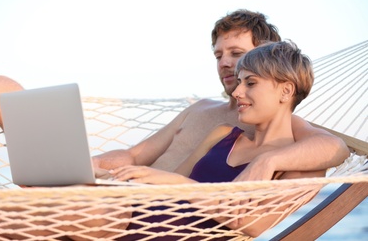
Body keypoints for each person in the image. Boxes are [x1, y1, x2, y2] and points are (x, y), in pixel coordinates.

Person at [93, 9, 349, 181]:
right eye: (219, 55)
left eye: (237, 54)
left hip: (170, 219)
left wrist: (268, 160)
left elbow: (334, 148)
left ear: (263, 57)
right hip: (127, 194)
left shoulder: (265, 124)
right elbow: (135, 156)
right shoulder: (199, 109)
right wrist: (88, 166)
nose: (225, 63)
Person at [108, 39, 325, 239]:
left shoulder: (304, 168)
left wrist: (181, 184)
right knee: (79, 196)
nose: (237, 92)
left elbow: (252, 224)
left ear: (286, 91)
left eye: (250, 83)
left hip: (159, 234)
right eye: (239, 82)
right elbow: (167, 187)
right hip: (135, 217)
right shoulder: (223, 134)